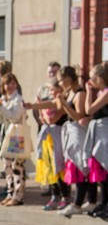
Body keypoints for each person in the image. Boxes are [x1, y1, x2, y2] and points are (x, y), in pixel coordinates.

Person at [56, 66, 97, 217]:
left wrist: (65, 104)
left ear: (67, 79)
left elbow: (79, 116)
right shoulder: (70, 92)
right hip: (72, 133)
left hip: (79, 133)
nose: (60, 84)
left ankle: (78, 203)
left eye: (61, 81)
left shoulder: (79, 93)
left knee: (81, 167)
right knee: (81, 166)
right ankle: (91, 201)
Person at [24, 78, 70, 210]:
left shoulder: (62, 101)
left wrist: (40, 109)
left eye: (52, 89)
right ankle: (54, 196)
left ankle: (65, 196)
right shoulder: (52, 101)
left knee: (59, 166)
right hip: (48, 138)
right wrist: (34, 107)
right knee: (50, 166)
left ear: (59, 89)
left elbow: (53, 117)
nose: (50, 92)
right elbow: (43, 116)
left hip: (59, 137)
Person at [0, 73, 27, 206]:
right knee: (7, 166)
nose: (10, 87)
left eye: (13, 84)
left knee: (17, 166)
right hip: (5, 135)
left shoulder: (18, 100)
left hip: (17, 135)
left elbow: (14, 117)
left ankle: (18, 195)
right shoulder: (3, 99)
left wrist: (1, 107)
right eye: (7, 84)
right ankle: (10, 192)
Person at [82, 62, 108, 218]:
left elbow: (89, 109)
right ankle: (104, 202)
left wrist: (87, 91)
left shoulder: (105, 93)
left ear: (100, 78)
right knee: (102, 173)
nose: (91, 81)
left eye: (93, 78)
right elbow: (91, 112)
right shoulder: (101, 93)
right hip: (100, 134)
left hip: (105, 134)